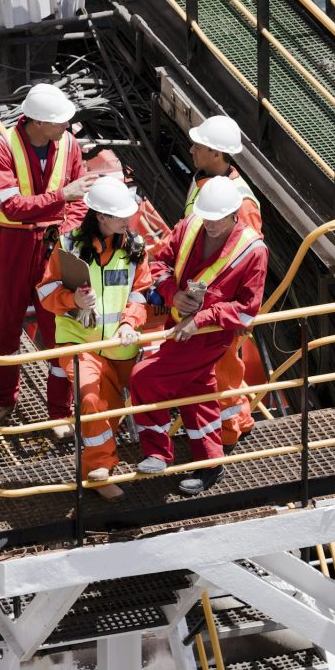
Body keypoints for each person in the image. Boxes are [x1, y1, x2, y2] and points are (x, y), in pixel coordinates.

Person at [131, 175, 268, 495]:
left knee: (143, 377)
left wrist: (202, 318)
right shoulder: (191, 226)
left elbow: (248, 310)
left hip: (210, 336)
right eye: (206, 218)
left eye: (217, 220)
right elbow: (160, 265)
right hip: (179, 327)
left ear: (235, 214)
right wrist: (172, 294)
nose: (210, 225)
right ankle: (210, 463)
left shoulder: (253, 251)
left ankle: (156, 451)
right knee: (198, 393)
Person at [0, 83, 96, 438]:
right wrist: (61, 197)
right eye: (60, 121)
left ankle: (60, 414)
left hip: (52, 245)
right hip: (11, 248)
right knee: (3, 327)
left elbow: (79, 203)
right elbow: (11, 207)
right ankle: (3, 401)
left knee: (59, 329)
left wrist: (66, 231)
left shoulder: (69, 145)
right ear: (38, 122)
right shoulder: (3, 149)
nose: (67, 127)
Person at [36, 176, 151, 501]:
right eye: (120, 216)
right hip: (79, 344)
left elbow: (141, 294)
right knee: (90, 399)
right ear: (100, 216)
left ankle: (99, 469)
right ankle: (99, 470)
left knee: (110, 411)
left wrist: (130, 323)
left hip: (120, 347)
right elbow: (45, 291)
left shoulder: (135, 248)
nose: (127, 220)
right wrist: (73, 301)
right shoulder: (68, 245)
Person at [185, 115, 262, 450]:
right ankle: (240, 419)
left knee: (223, 371)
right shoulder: (204, 180)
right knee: (222, 369)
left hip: (222, 306)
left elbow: (250, 260)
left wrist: (242, 316)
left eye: (198, 146)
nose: (191, 150)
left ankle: (227, 434)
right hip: (202, 298)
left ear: (216, 153)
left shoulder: (240, 204)